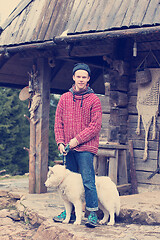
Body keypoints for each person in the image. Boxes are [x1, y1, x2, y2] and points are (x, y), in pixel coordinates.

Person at [54, 63, 102, 228]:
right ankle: (70, 213)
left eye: (84, 77)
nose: (81, 79)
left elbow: (95, 126)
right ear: (73, 77)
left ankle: (92, 213)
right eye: (78, 76)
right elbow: (58, 123)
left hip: (86, 148)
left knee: (88, 181)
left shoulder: (94, 100)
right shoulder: (64, 98)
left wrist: (76, 140)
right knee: (68, 183)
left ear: (88, 79)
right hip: (68, 148)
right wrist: (60, 142)